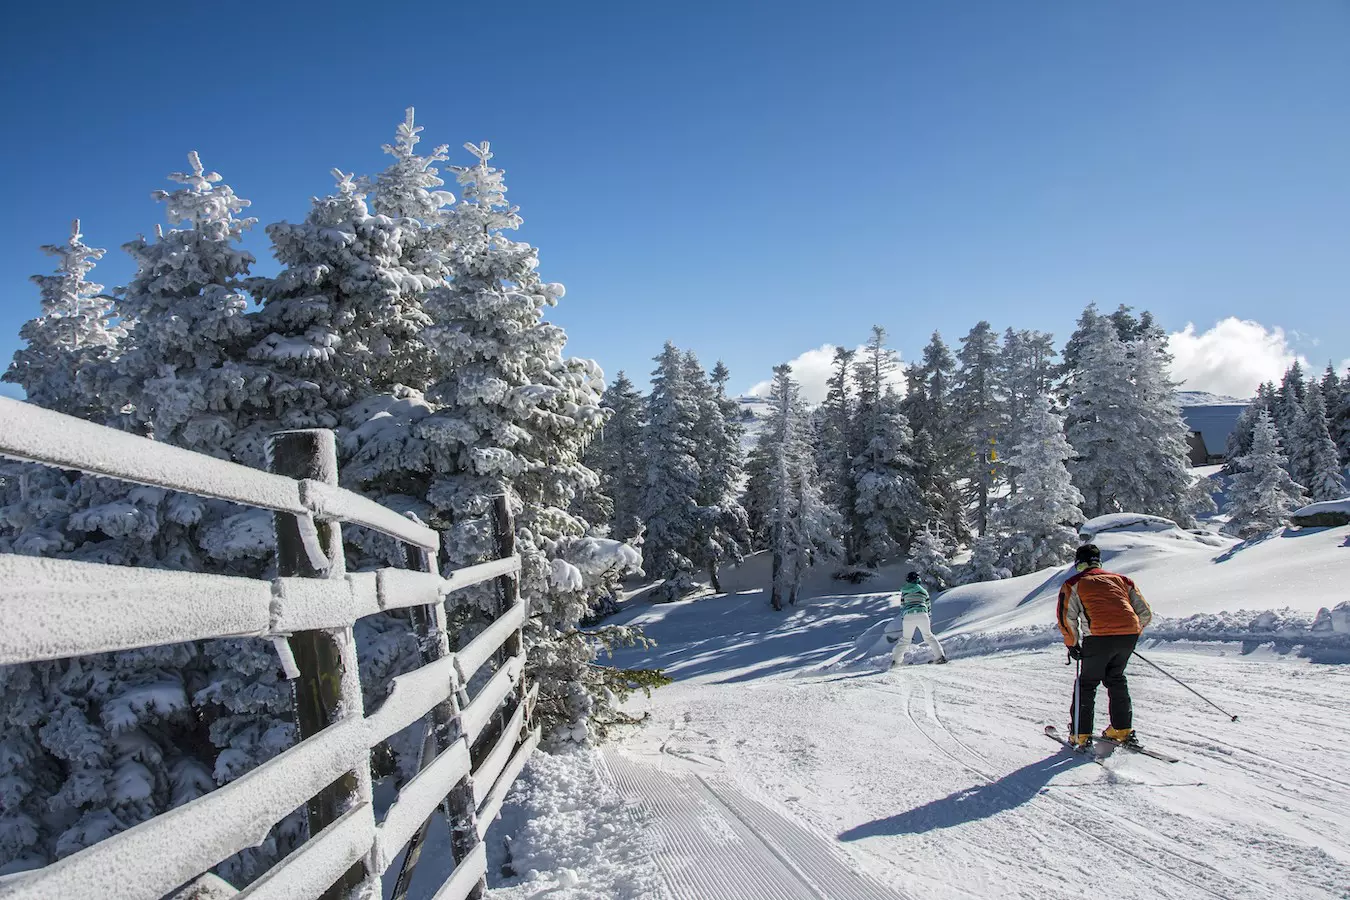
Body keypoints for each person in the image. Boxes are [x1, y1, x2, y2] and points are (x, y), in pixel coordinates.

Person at [1057, 543, 1152, 749]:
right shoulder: (1123, 580)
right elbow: (1144, 613)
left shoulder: (1074, 583)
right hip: (1128, 635)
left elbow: (1067, 618)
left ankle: (1080, 734)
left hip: (1098, 637)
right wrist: (1128, 634)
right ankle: (1121, 729)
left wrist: (1073, 644)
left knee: (1087, 683)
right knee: (1116, 678)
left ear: (1079, 564)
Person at [887, 572, 947, 666]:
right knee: (929, 636)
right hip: (923, 614)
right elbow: (928, 606)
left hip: (908, 616)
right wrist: (929, 618)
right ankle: (940, 657)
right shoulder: (923, 591)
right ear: (918, 580)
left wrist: (904, 619)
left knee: (905, 639)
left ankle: (896, 662)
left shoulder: (904, 592)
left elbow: (902, 607)